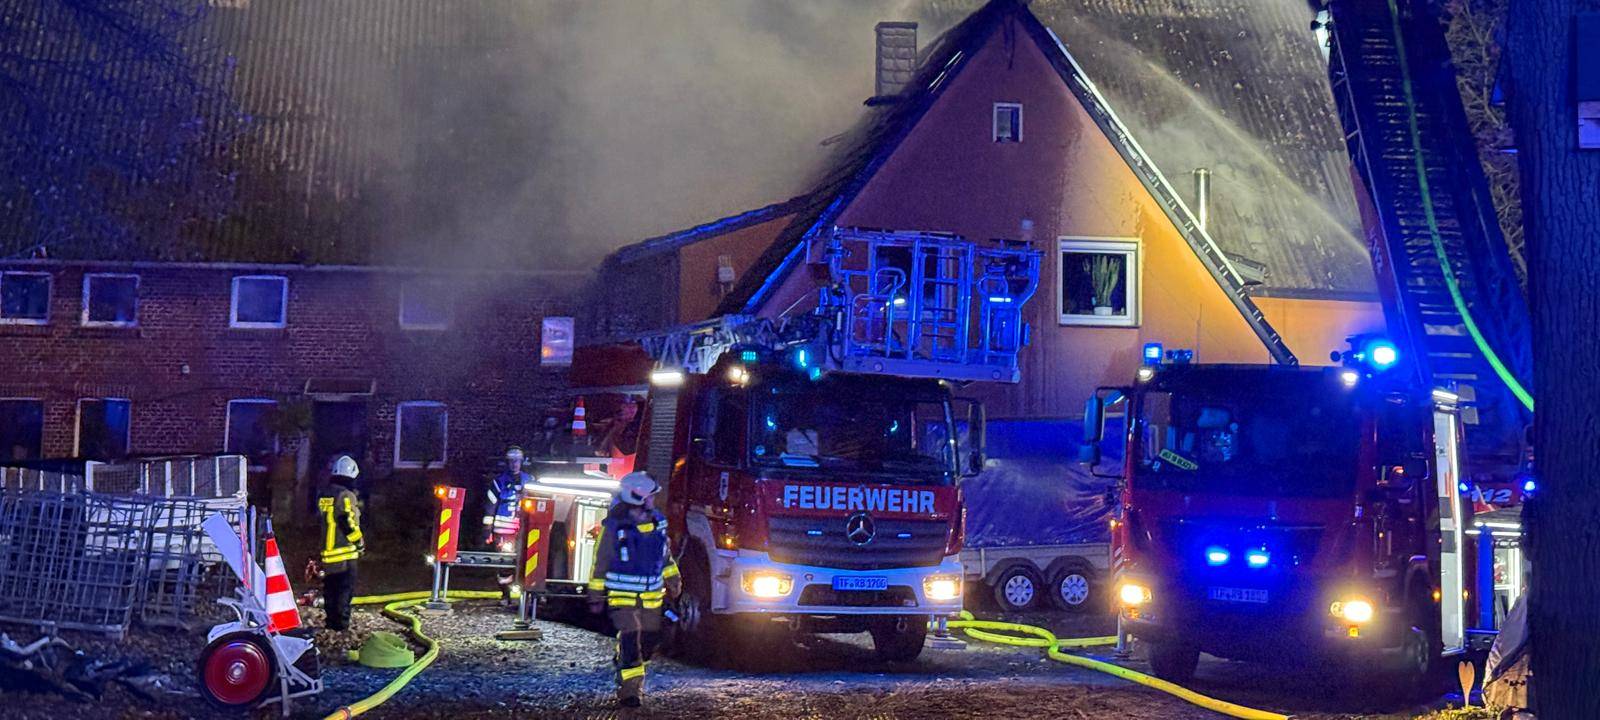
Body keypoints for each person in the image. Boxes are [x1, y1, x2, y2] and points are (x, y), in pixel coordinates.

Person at [587, 472, 680, 709]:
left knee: (649, 642)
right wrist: (595, 594)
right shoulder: (614, 527)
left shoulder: (658, 522)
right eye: (651, 496)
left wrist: (674, 578)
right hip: (623, 597)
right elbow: (601, 561)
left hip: (651, 598)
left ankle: (627, 666)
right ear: (637, 497)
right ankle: (630, 691)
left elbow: (664, 556)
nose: (654, 500)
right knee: (630, 641)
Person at [318, 455, 364, 632]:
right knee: (344, 591)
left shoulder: (326, 493)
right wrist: (358, 542)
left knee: (330, 590)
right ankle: (341, 627)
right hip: (345, 553)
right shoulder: (346, 495)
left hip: (328, 552)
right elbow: (347, 522)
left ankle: (330, 624)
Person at [485, 446, 534, 604]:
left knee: (527, 561)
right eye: (512, 461)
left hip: (524, 529)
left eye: (517, 461)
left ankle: (525, 595)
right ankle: (505, 594)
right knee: (505, 562)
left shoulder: (530, 480)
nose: (514, 464)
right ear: (507, 462)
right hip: (503, 529)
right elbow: (490, 506)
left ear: (522, 462)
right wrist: (487, 530)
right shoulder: (498, 482)